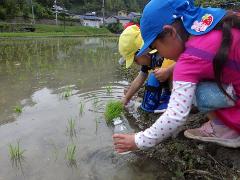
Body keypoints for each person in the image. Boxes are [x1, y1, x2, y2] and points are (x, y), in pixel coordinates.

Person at [113, 0, 240, 153]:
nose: (158, 54)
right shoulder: (217, 19)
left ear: (171, 32)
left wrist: (138, 140)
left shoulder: (188, 60)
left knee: (194, 93)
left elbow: (175, 115)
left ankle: (225, 131)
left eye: (155, 47)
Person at [118, 25, 175, 113]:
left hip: (183, 80)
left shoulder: (162, 54)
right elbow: (140, 77)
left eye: (135, 60)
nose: (136, 63)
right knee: (156, 76)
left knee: (154, 77)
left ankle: (172, 99)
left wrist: (168, 71)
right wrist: (126, 99)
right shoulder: (149, 58)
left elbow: (184, 61)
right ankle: (166, 95)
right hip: (171, 81)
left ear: (142, 52)